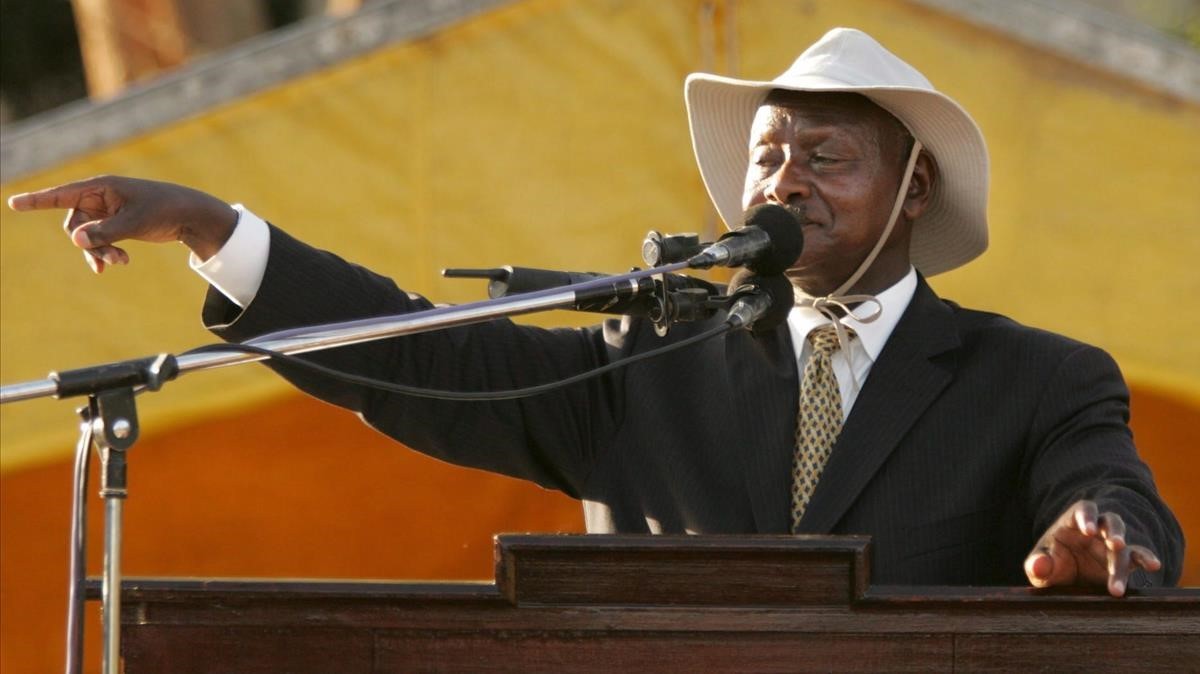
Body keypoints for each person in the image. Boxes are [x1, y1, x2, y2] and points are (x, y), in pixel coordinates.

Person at [8, 28, 1182, 593]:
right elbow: (437, 364)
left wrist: (1099, 534)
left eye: (825, 156)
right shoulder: (654, 351)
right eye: (768, 157)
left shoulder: (1035, 376)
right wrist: (219, 229)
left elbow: (1111, 488)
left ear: (913, 189)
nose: (782, 184)